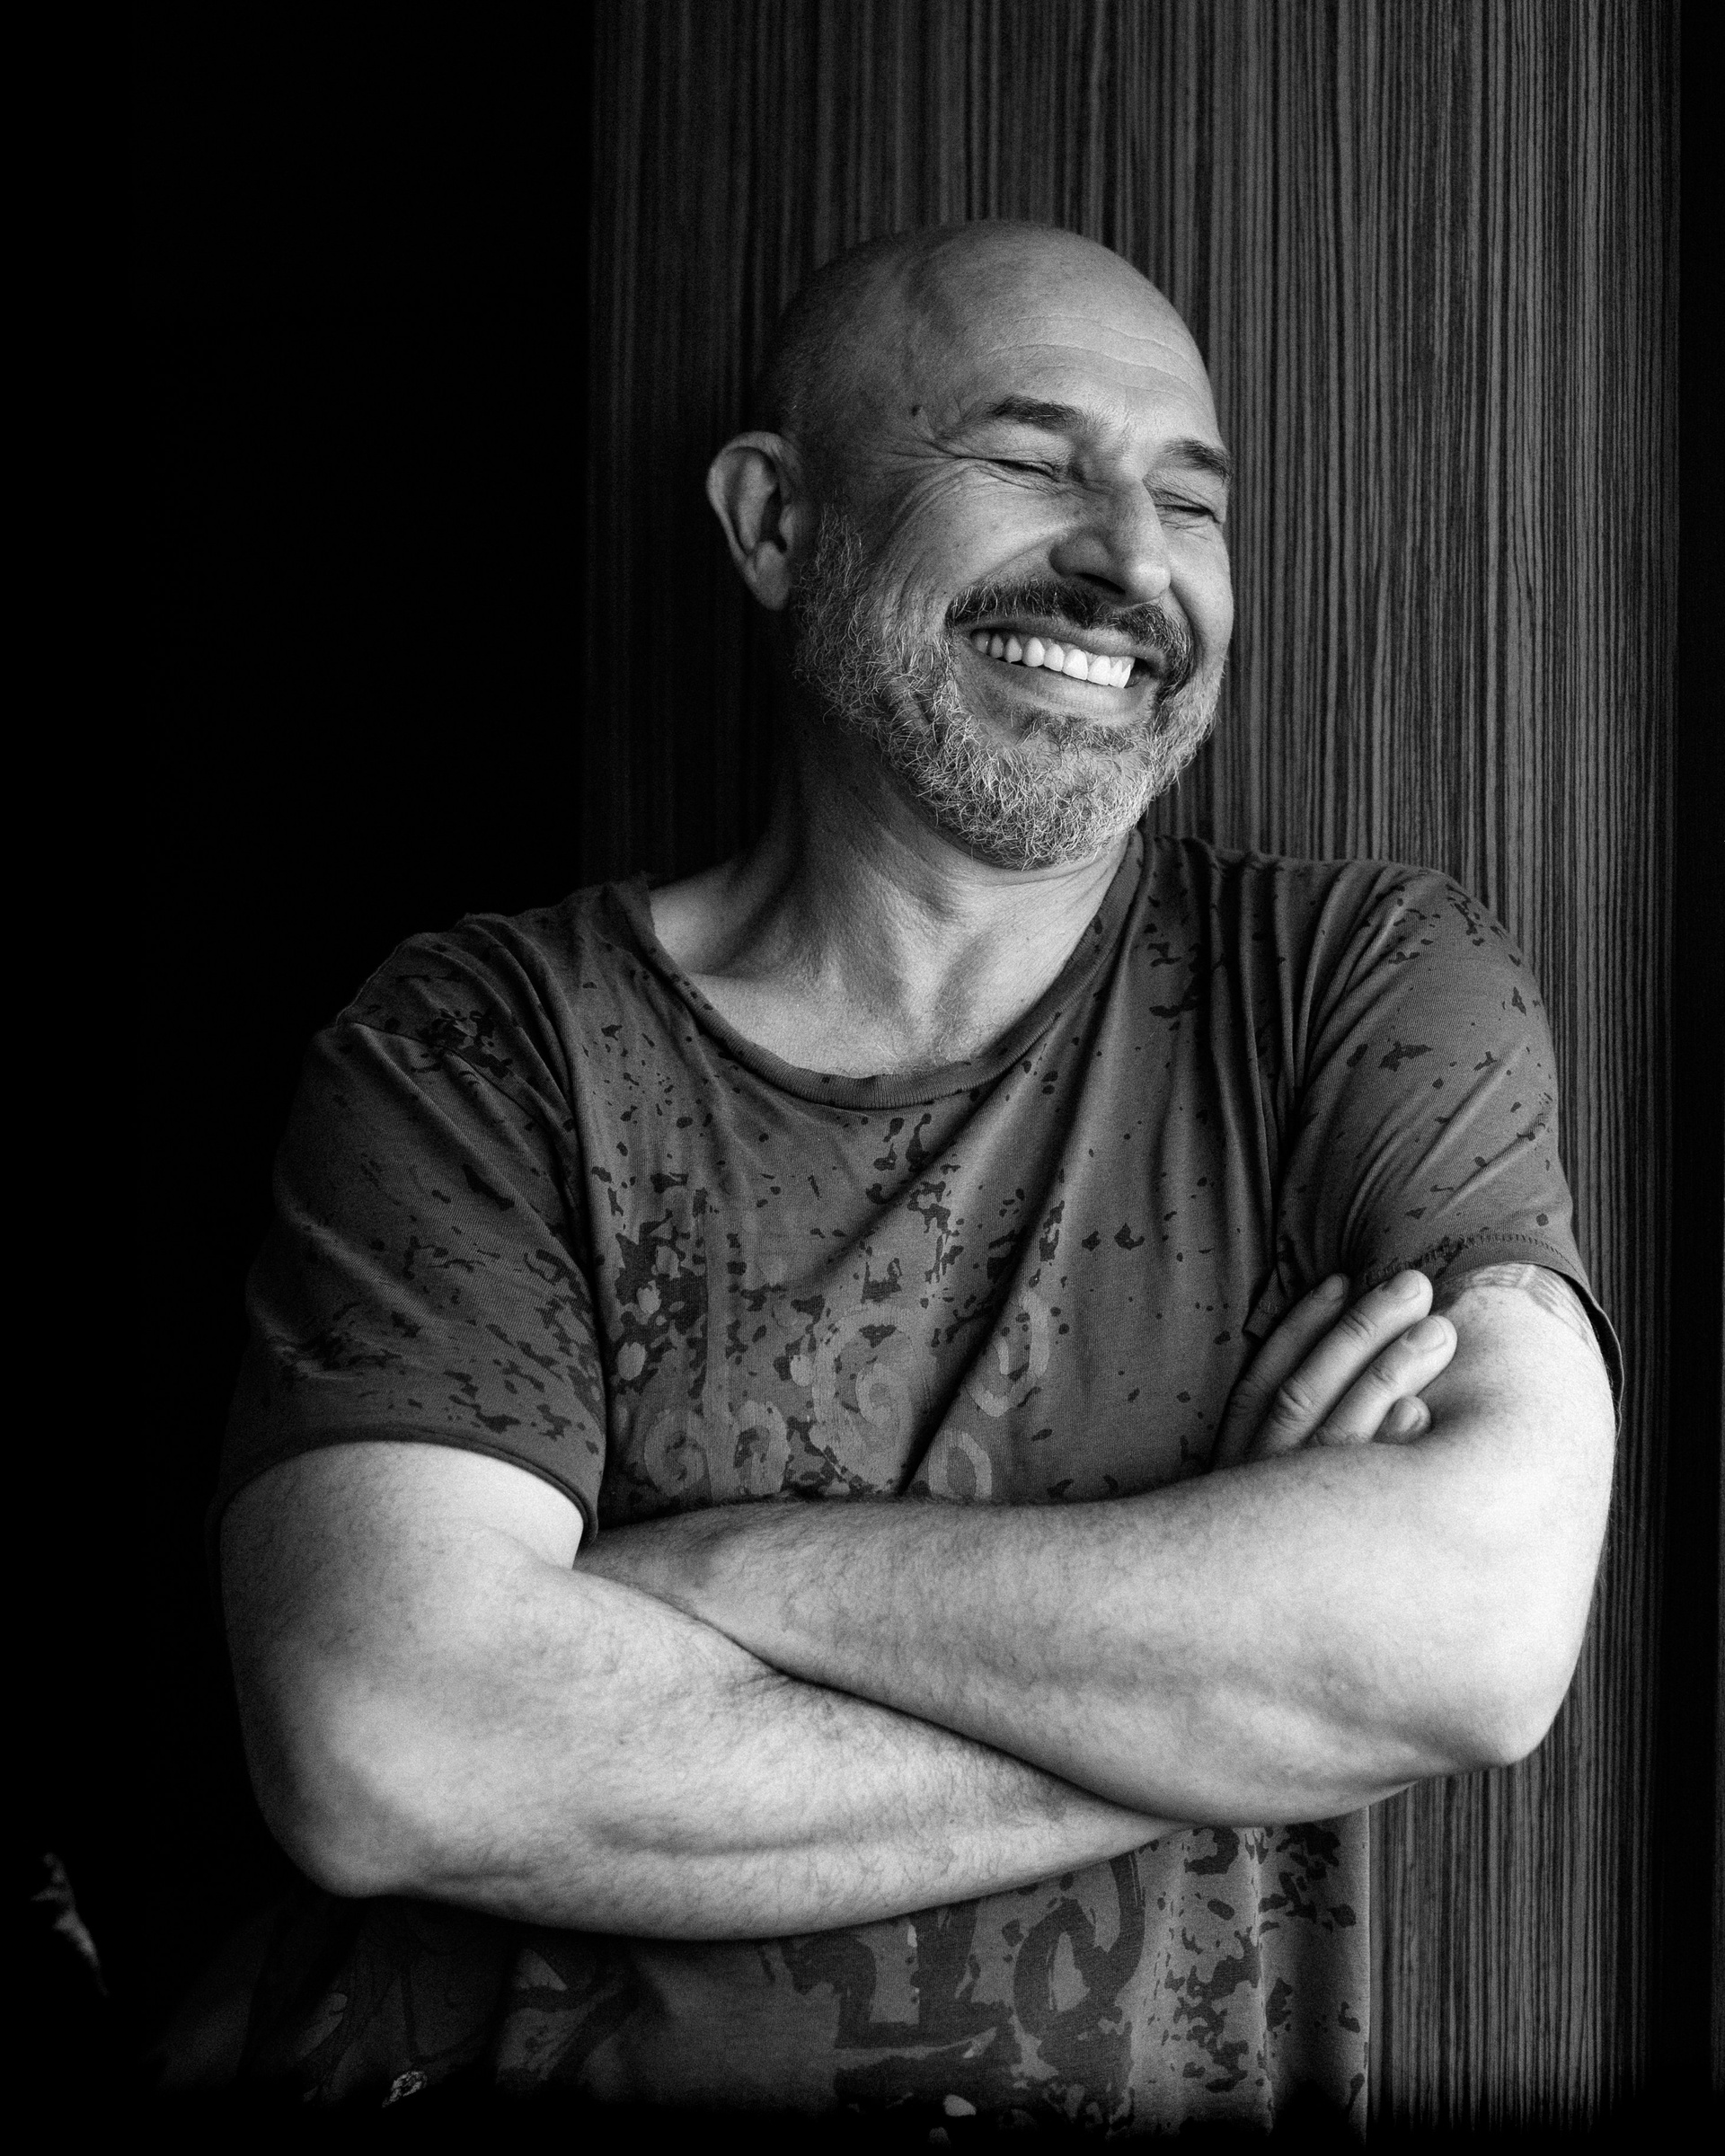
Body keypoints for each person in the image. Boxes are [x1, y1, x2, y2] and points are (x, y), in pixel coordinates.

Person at [210, 224, 1619, 2135]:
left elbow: (1470, 1638)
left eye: (1191, 502)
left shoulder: (1353, 991)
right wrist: (1249, 1699)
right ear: (776, 522)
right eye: (1033, 462)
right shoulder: (479, 1049)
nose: (1132, 562)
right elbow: (393, 1748)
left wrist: (703, 1579)